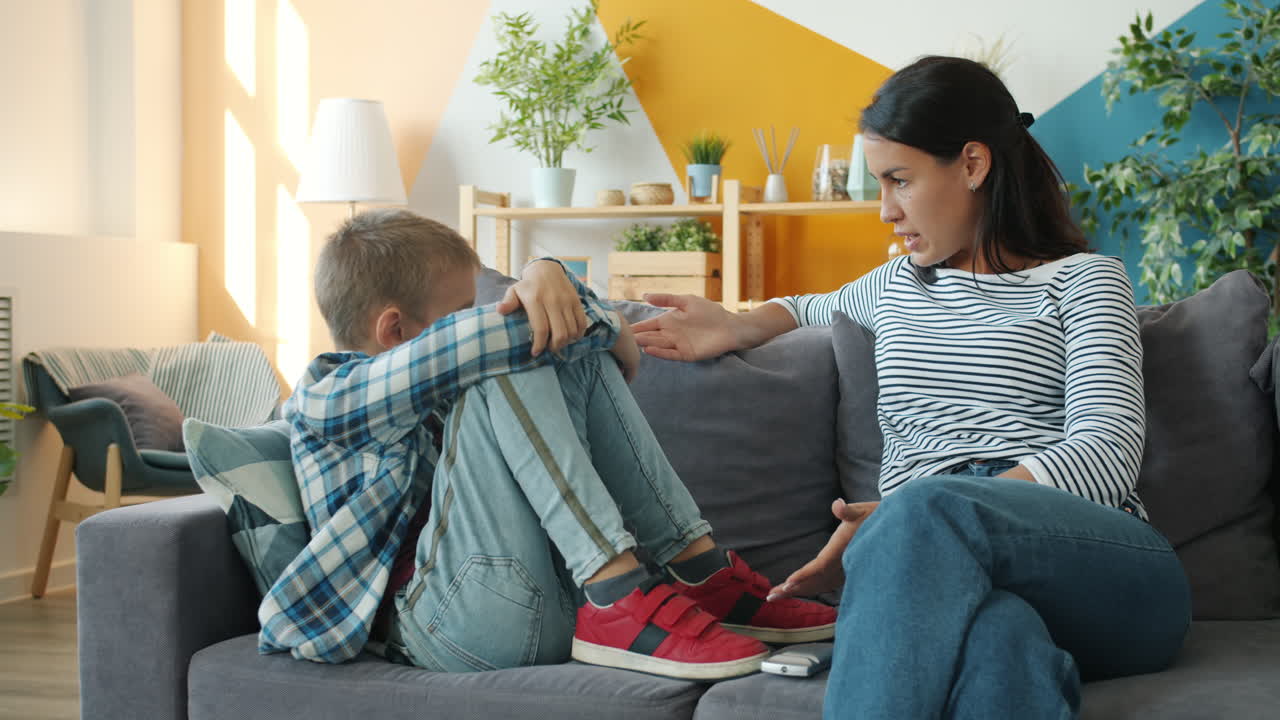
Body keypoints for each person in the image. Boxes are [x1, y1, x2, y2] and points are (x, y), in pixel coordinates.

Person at [631, 56, 1191, 717]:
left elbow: (1107, 451)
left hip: (1101, 567)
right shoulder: (895, 287)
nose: (885, 210)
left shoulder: (1086, 281)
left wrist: (924, 516)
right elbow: (809, 306)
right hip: (947, 573)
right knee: (999, 641)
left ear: (973, 165)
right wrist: (736, 327)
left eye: (900, 180)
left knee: (922, 511)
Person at [256, 208, 836, 680]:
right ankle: (617, 589)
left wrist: (559, 287)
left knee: (555, 351)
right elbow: (513, 331)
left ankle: (697, 574)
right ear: (395, 330)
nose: (475, 315)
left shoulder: (438, 387)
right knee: (521, 347)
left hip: (543, 597)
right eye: (461, 311)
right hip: (441, 627)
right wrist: (552, 279)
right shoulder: (329, 402)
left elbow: (554, 335)